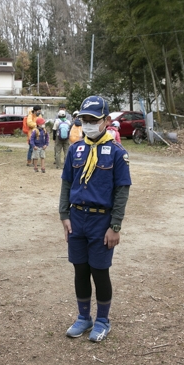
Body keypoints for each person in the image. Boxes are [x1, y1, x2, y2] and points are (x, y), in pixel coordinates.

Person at [59, 95, 131, 342]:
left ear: (106, 120)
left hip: (102, 222)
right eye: (84, 120)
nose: (88, 124)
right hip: (77, 218)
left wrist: (115, 226)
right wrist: (64, 215)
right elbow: (67, 183)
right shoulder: (75, 149)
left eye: (93, 120)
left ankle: (102, 320)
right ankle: (83, 317)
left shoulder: (117, 153)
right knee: (80, 270)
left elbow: (122, 191)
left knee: (100, 272)